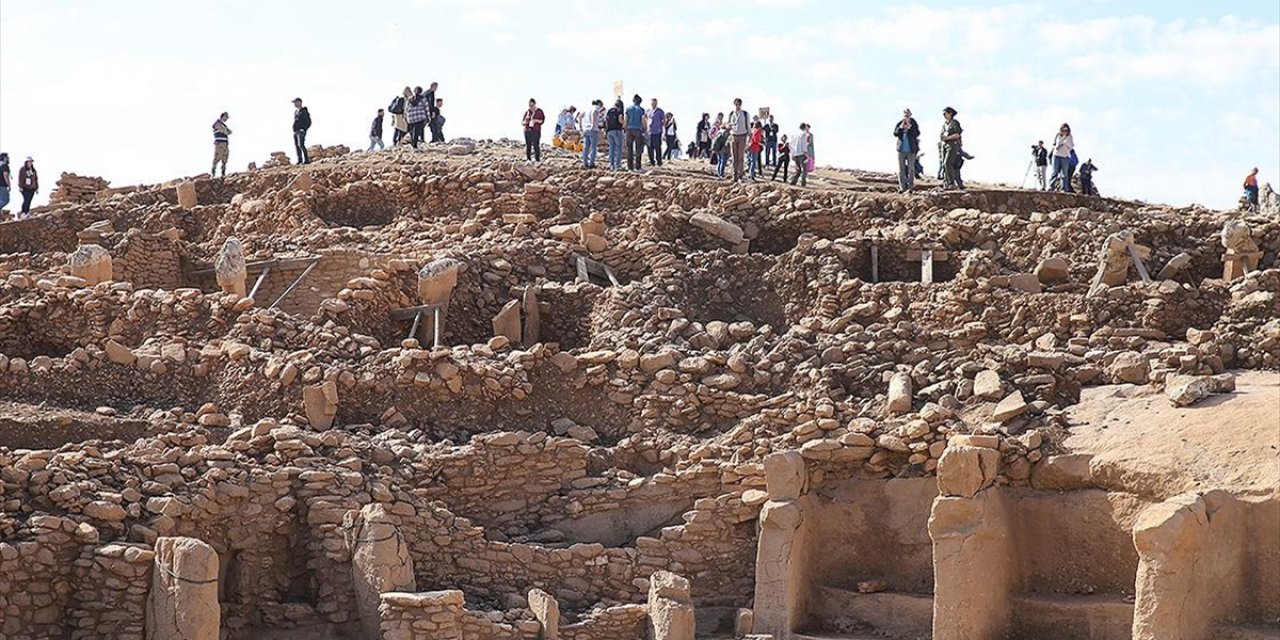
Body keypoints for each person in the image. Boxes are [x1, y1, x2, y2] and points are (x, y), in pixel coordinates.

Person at [894, 108, 920, 193]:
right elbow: (895, 133)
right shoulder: (900, 123)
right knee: (901, 169)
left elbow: (917, 133)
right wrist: (901, 128)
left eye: (908, 114)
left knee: (911, 168)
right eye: (905, 114)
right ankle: (902, 187)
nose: (906, 116)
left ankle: (910, 186)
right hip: (901, 149)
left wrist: (910, 127)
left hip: (911, 149)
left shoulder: (914, 123)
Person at [939, 107, 962, 190]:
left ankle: (951, 182)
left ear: (950, 113)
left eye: (945, 113)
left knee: (948, 163)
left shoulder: (955, 123)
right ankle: (946, 182)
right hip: (944, 145)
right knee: (943, 164)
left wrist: (947, 138)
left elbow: (957, 135)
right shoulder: (945, 124)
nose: (944, 115)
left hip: (952, 145)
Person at [728, 98, 750, 181]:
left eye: (739, 104)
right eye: (736, 104)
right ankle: (734, 174)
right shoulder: (731, 114)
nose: (737, 106)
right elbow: (729, 124)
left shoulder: (745, 114)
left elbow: (748, 125)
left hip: (742, 135)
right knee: (734, 156)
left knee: (740, 156)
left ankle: (740, 174)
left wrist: (749, 136)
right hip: (733, 135)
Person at [625, 94, 647, 172]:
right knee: (638, 149)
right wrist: (645, 129)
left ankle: (630, 167)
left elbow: (626, 119)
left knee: (629, 149)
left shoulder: (628, 109)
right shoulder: (641, 109)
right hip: (638, 129)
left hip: (629, 129)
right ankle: (638, 167)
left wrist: (625, 128)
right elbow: (643, 120)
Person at [1051, 123, 1074, 192]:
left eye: (1066, 130)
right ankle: (1051, 186)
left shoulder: (1070, 137)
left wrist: (1065, 142)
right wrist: (1063, 138)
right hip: (1057, 155)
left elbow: (1071, 146)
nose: (1065, 132)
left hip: (1065, 156)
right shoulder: (1058, 135)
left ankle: (1064, 188)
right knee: (1055, 172)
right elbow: (1057, 144)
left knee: (1064, 174)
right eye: (1063, 130)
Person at [582, 99, 604, 169]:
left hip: (586, 129)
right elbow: (594, 113)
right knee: (594, 148)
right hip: (593, 130)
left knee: (586, 147)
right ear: (599, 104)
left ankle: (585, 162)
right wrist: (593, 125)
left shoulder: (587, 109)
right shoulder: (595, 109)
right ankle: (591, 163)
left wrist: (581, 126)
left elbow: (580, 116)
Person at [522, 98, 545, 163]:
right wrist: (526, 122)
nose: (531, 107)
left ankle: (537, 159)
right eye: (530, 106)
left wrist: (535, 121)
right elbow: (522, 122)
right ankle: (528, 159)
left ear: (535, 104)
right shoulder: (527, 112)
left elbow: (542, 121)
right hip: (527, 130)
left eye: (532, 105)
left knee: (536, 144)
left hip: (536, 130)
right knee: (528, 145)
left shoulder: (539, 111)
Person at [606, 99, 625, 171]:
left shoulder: (609, 111)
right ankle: (618, 165)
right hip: (616, 130)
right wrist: (625, 125)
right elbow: (620, 120)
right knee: (618, 148)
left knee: (611, 148)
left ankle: (611, 164)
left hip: (609, 131)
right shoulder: (619, 111)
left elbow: (606, 121)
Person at [292, 98, 312, 165]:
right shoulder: (296, 112)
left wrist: (304, 129)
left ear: (299, 102)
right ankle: (299, 160)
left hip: (301, 131)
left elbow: (308, 122)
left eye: (296, 102)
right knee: (297, 145)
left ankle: (306, 160)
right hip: (296, 131)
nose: (295, 104)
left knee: (301, 145)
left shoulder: (304, 111)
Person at [646, 99, 665, 167]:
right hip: (650, 132)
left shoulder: (660, 111)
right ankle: (652, 161)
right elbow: (646, 119)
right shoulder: (648, 111)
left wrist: (661, 128)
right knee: (649, 147)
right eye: (652, 103)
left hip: (657, 131)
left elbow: (663, 121)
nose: (653, 104)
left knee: (657, 147)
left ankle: (659, 161)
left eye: (654, 103)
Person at [211, 112, 231, 177]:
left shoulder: (223, 125)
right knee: (218, 157)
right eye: (226, 117)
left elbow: (229, 132)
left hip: (225, 143)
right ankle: (213, 172)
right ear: (223, 116)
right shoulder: (217, 123)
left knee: (225, 157)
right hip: (220, 143)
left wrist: (226, 131)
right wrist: (226, 131)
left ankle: (223, 173)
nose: (226, 119)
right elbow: (225, 131)